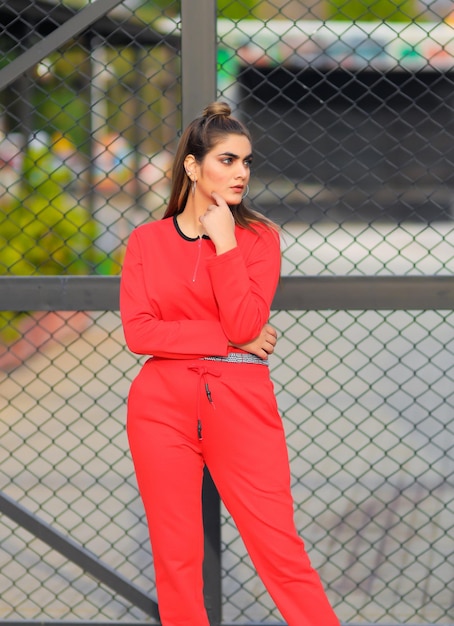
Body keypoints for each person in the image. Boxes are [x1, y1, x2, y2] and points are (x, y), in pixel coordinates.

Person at [120, 102, 340, 626]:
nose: (242, 172)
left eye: (246, 161)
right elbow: (138, 332)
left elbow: (245, 325)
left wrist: (224, 245)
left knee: (279, 549)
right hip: (160, 407)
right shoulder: (146, 241)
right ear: (194, 167)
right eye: (227, 159)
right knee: (176, 557)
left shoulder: (259, 239)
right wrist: (220, 338)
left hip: (240, 403)